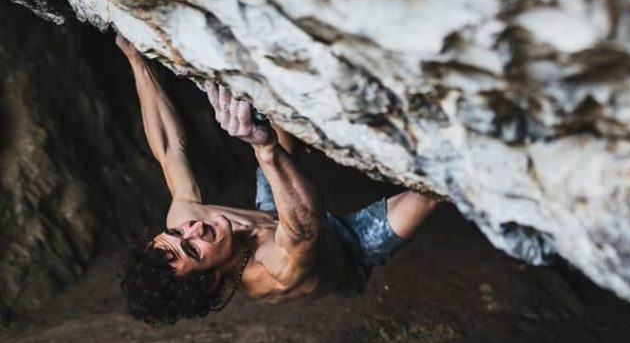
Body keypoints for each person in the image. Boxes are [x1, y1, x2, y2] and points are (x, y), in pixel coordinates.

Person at [115, 35, 439, 325]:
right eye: (193, 249)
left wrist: (137, 59)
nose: (194, 228)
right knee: (434, 189)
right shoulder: (275, 272)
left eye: (176, 231)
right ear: (212, 280)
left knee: (272, 109)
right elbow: (306, 228)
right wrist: (264, 148)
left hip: (276, 212)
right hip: (349, 248)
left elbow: (171, 150)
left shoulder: (189, 224)